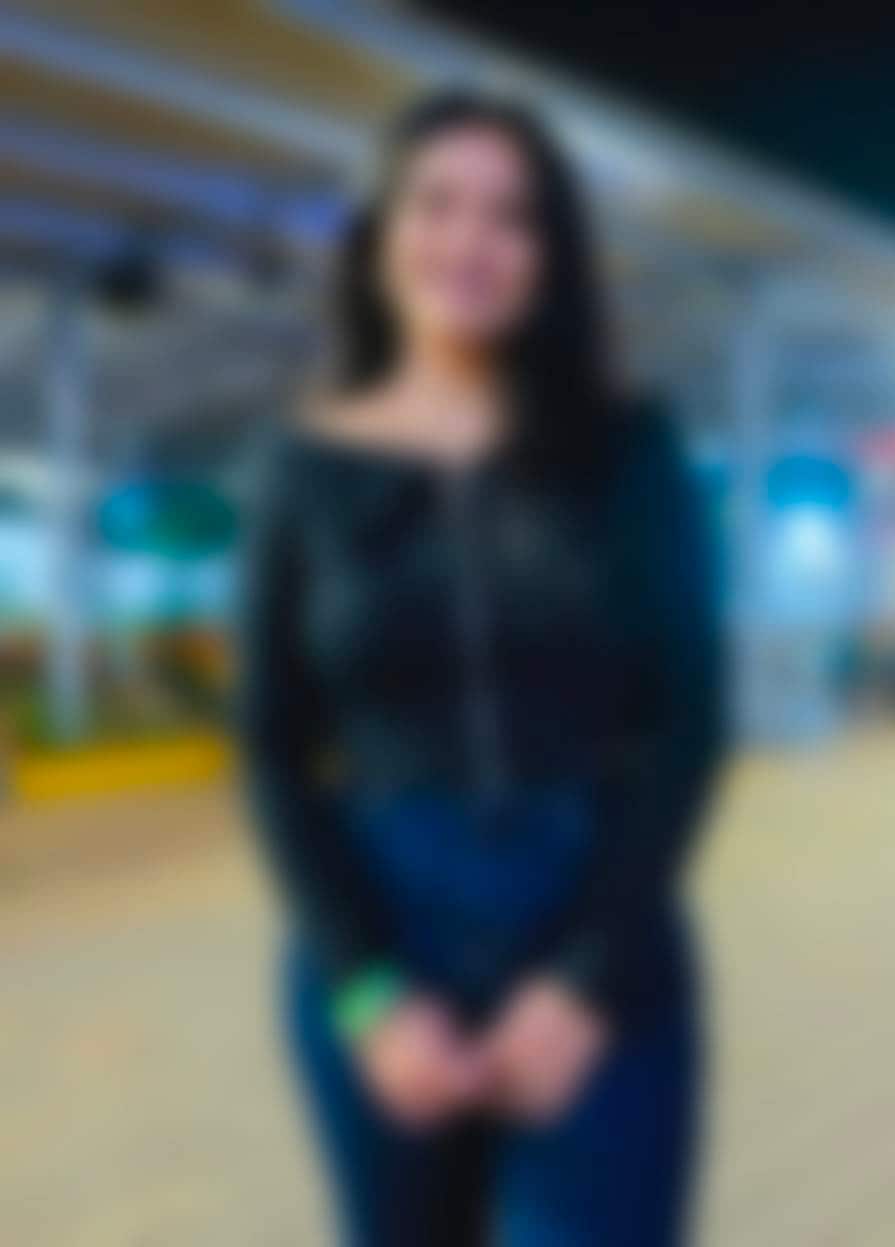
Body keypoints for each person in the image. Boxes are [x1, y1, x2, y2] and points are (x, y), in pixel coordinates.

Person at [239, 90, 725, 1246]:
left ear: (549, 255)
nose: (469, 240)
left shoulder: (628, 448)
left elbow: (689, 719)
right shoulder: (298, 466)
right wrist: (364, 989)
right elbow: (269, 747)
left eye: (510, 216)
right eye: (436, 203)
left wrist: (585, 980)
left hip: (594, 914)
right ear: (380, 234)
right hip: (383, 925)